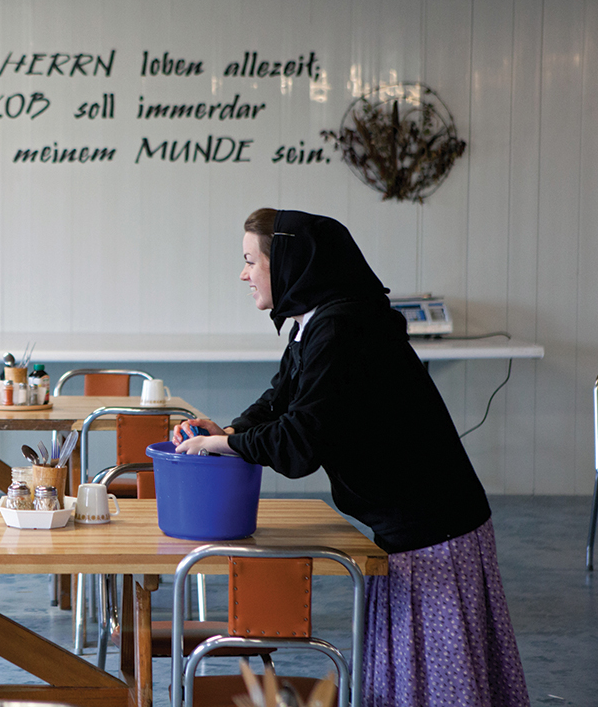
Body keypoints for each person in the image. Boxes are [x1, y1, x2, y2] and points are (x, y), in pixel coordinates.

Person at [172, 210, 529, 707]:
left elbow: (300, 441)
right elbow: (281, 399)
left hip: (433, 532)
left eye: (251, 261)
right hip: (408, 530)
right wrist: (229, 430)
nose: (243, 273)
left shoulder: (342, 328)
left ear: (291, 264)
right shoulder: (316, 322)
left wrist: (222, 445)